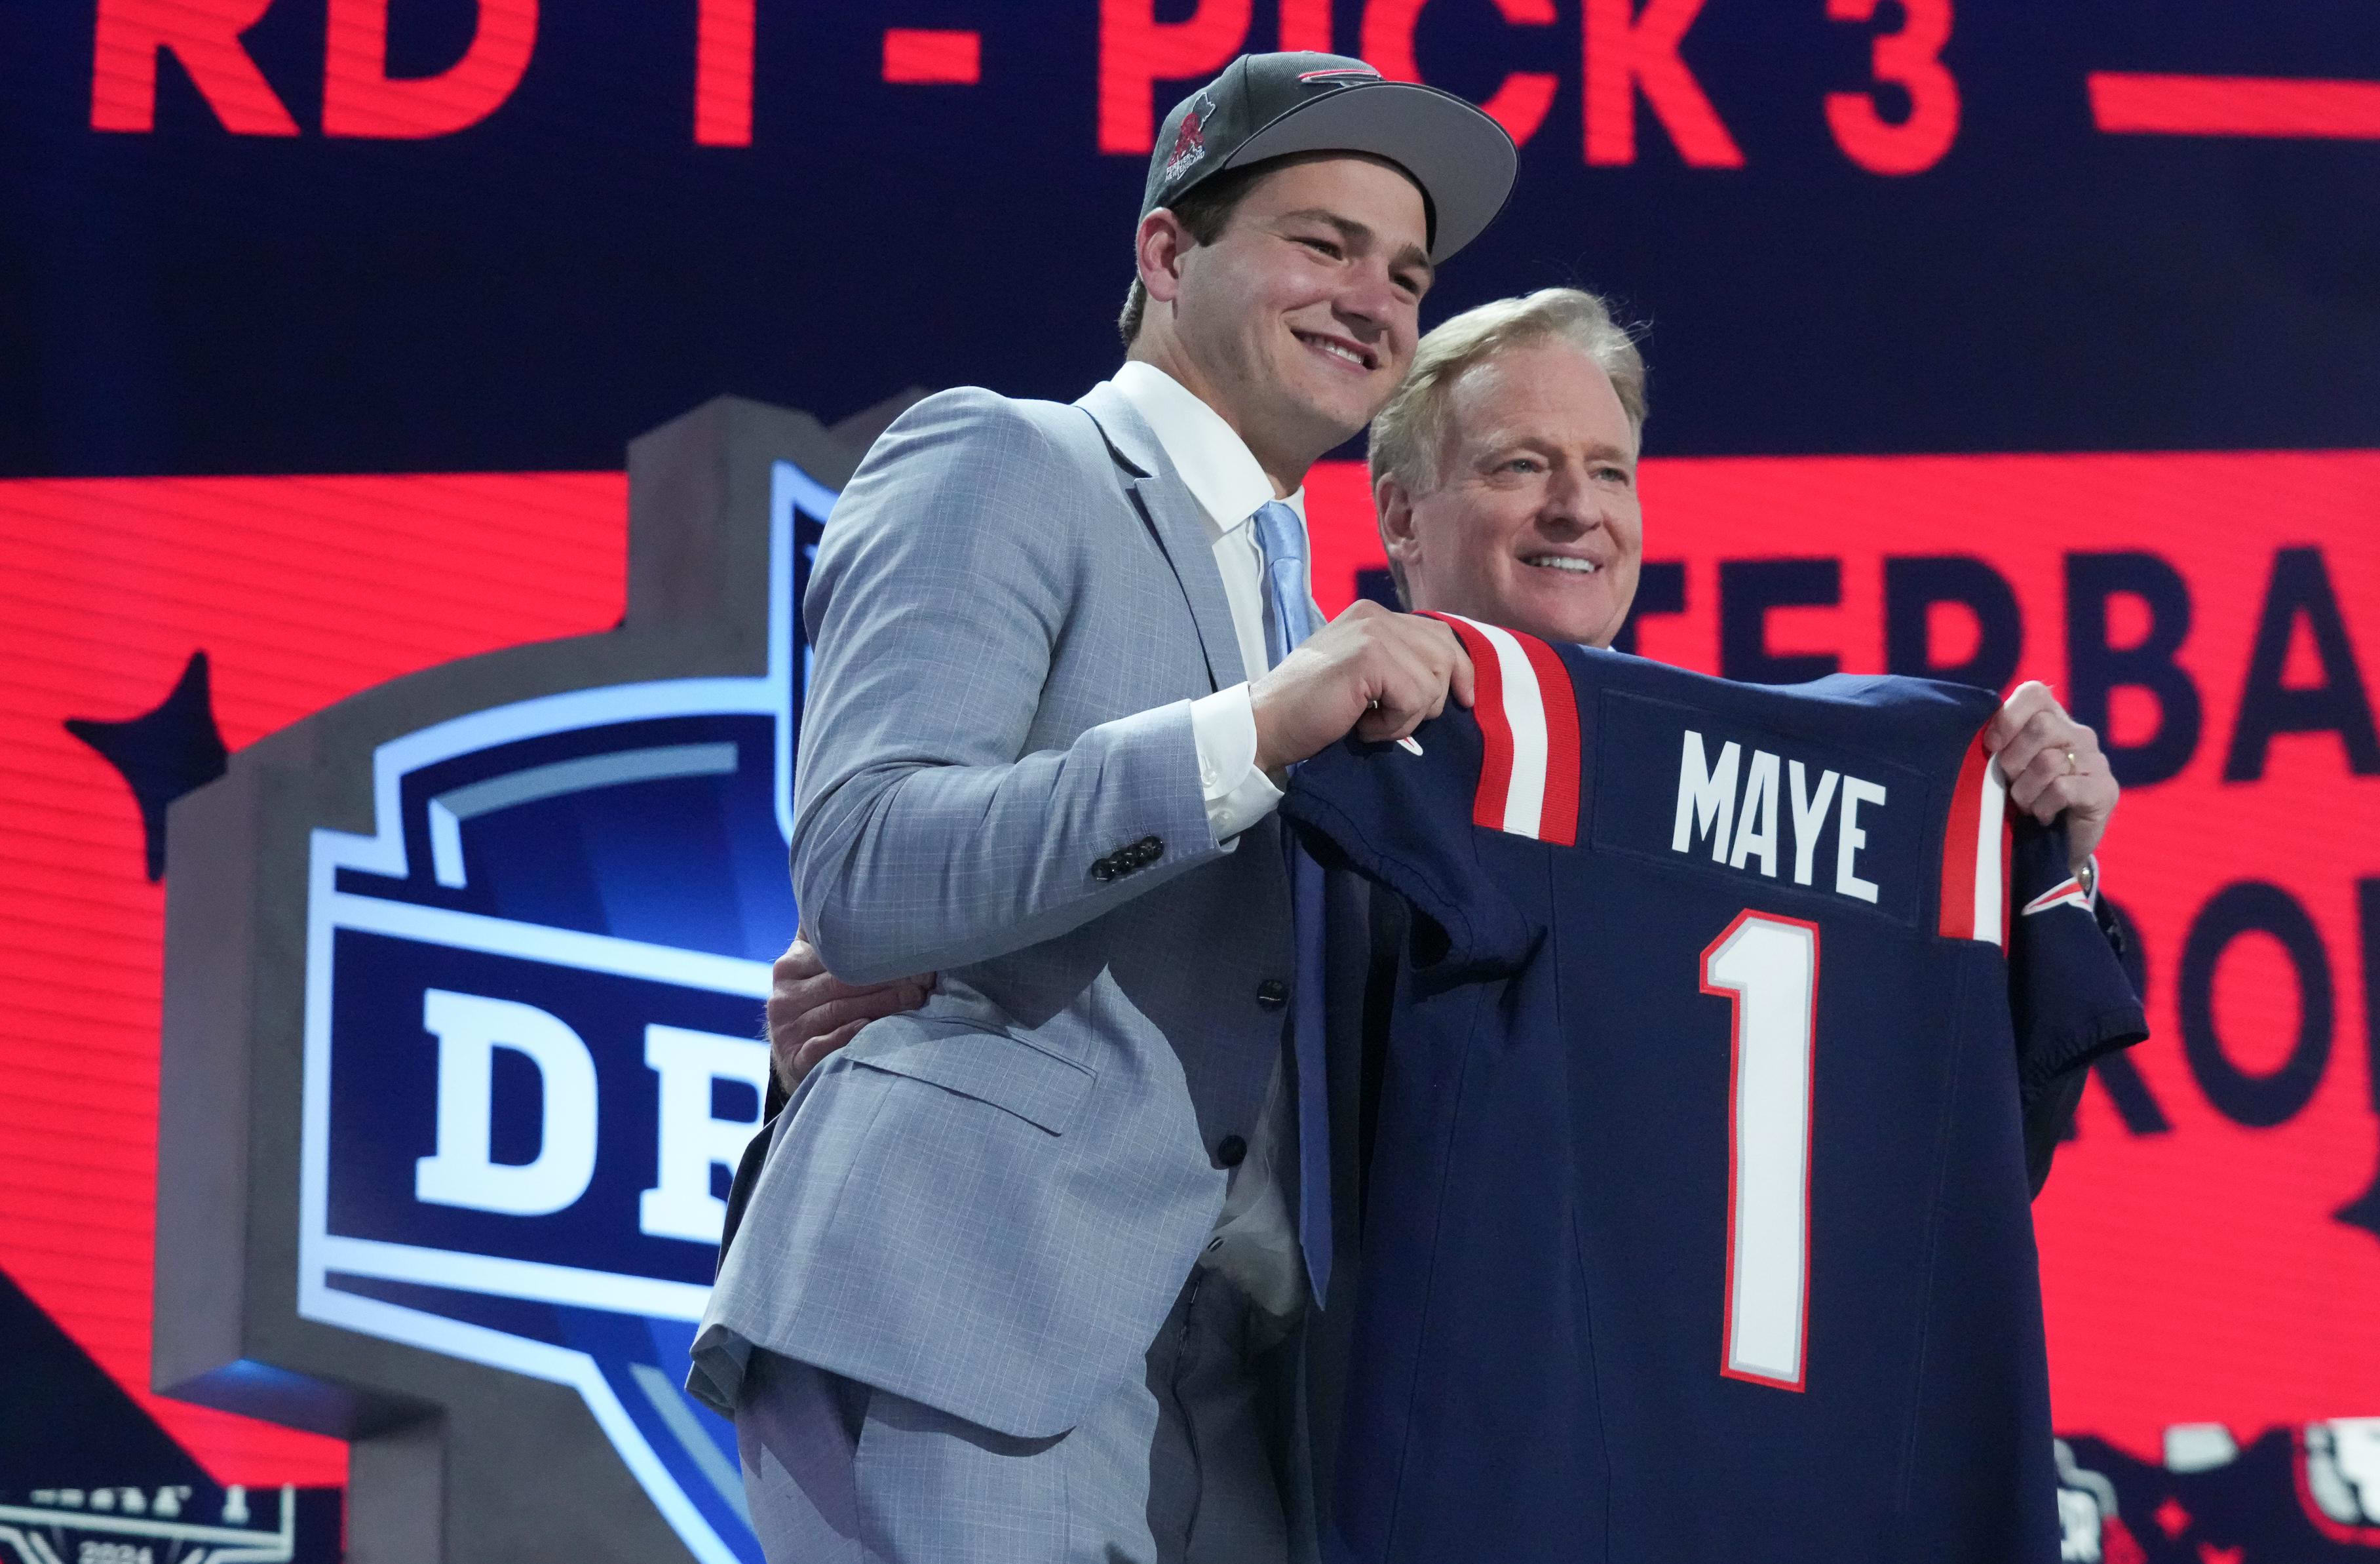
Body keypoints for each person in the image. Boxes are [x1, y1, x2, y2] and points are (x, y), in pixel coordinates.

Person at [691, 53, 1519, 1564]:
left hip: (1232, 1387)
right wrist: (1251, 730)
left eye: (1404, 270)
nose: (1374, 297)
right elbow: (869, 861)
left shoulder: (1307, 617)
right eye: (1322, 243)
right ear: (1165, 252)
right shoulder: (1008, 456)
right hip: (969, 1313)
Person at [764, 288, 2125, 1183]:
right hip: (1305, 1422)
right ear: (1403, 520)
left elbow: (1936, 1131)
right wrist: (907, 989)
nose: (1575, 509)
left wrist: (2039, 861)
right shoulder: (1305, 745)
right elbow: (1079, 933)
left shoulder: (1737, 798)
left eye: (1608, 471)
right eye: (1520, 465)